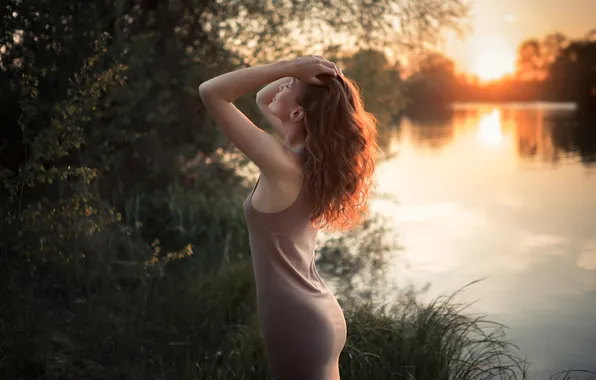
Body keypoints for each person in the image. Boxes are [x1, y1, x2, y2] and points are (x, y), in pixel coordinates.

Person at [199, 56, 378, 380]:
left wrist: (291, 68)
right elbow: (260, 98)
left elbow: (211, 92)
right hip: (318, 313)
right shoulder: (309, 160)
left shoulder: (283, 167)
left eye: (289, 85)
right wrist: (297, 74)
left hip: (297, 320)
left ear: (297, 113)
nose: (281, 84)